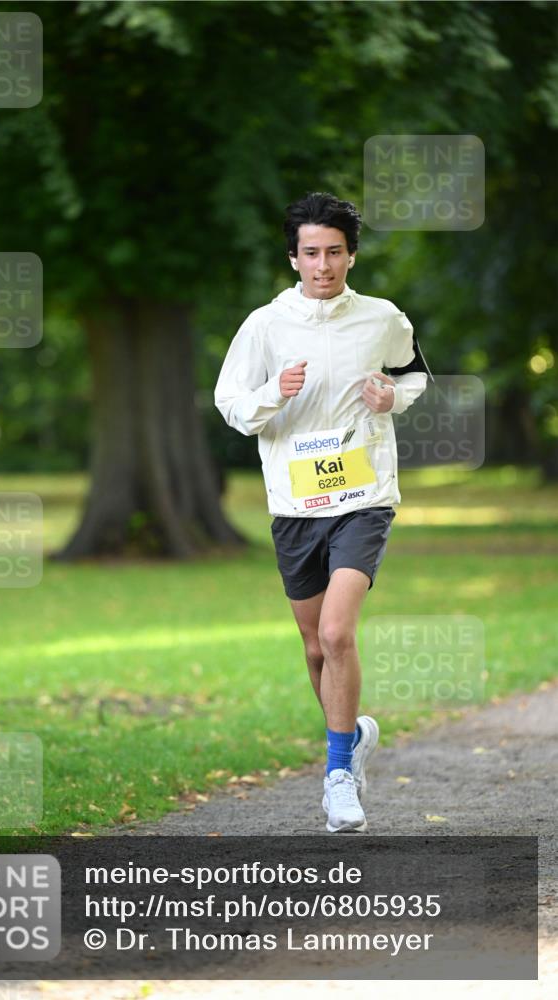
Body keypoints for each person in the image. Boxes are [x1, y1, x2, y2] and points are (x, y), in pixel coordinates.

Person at [214, 192, 433, 833]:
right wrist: (270, 395)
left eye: (334, 252)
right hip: (294, 502)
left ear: (351, 255)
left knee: (337, 632)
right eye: (311, 253)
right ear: (294, 258)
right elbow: (230, 402)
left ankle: (339, 778)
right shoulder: (265, 325)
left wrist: (390, 395)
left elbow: (415, 375)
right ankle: (353, 734)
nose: (323, 265)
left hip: (363, 495)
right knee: (315, 647)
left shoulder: (382, 318)